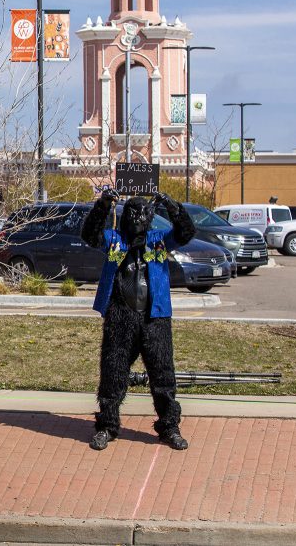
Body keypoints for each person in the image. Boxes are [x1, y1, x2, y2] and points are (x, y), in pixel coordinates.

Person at [80, 190, 194, 452]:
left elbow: (186, 232)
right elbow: (89, 235)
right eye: (132, 213)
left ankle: (169, 426)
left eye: (143, 213)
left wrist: (172, 205)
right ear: (124, 215)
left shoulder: (159, 240)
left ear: (151, 216)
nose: (138, 218)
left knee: (163, 374)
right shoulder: (115, 240)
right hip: (121, 315)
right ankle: (107, 425)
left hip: (155, 317)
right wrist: (103, 205)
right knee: (113, 373)